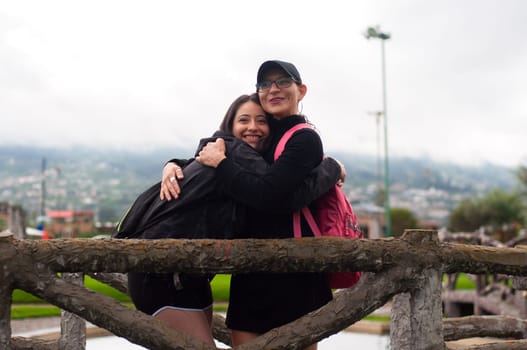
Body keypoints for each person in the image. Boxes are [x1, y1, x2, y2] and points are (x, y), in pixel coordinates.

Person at [119, 92, 342, 347]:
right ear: (230, 126)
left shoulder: (227, 154)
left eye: (261, 121)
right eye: (244, 120)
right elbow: (280, 197)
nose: (253, 127)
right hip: (159, 275)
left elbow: (204, 164)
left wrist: (173, 163)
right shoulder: (233, 151)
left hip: (191, 278)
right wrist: (331, 168)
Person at [195, 60, 334, 349]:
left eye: (283, 82)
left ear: (301, 90)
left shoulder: (304, 138)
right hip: (252, 270)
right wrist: (174, 164)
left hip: (296, 272)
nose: (273, 89)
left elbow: (269, 195)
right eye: (265, 84)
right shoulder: (266, 136)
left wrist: (221, 164)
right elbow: (223, 140)